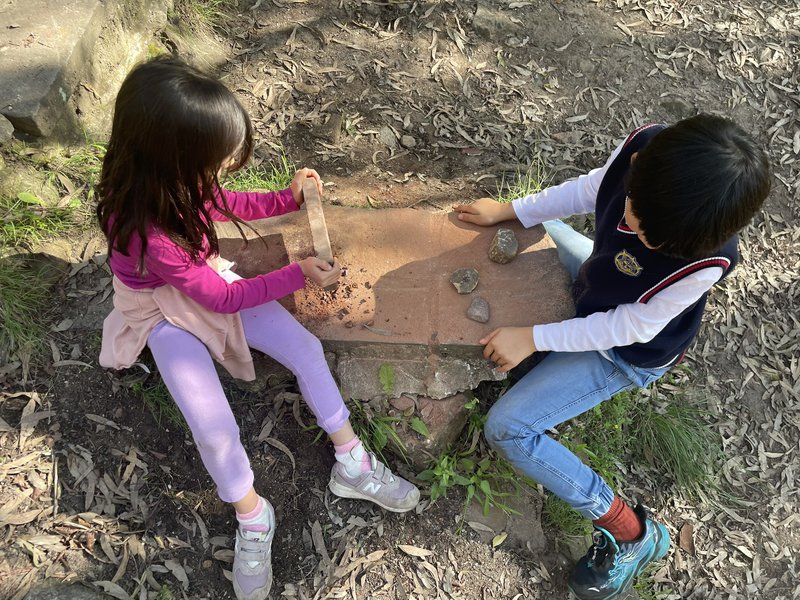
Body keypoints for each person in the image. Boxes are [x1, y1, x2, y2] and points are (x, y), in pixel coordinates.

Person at [96, 56, 419, 600]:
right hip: (162, 310)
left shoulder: (171, 180)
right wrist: (295, 275)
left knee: (306, 348)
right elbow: (221, 297)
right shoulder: (152, 232)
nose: (219, 174)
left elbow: (223, 203)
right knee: (211, 423)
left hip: (202, 281)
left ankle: (352, 462)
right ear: (173, 157)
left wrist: (285, 200)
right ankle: (252, 514)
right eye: (214, 164)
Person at [454, 115, 770, 599]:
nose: (631, 225)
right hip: (597, 287)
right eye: (635, 209)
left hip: (624, 350)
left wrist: (535, 337)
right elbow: (593, 188)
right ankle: (562, 302)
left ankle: (630, 532)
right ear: (640, 165)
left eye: (651, 238)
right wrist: (511, 209)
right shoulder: (644, 149)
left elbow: (630, 325)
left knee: (508, 428)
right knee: (539, 225)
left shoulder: (704, 260)